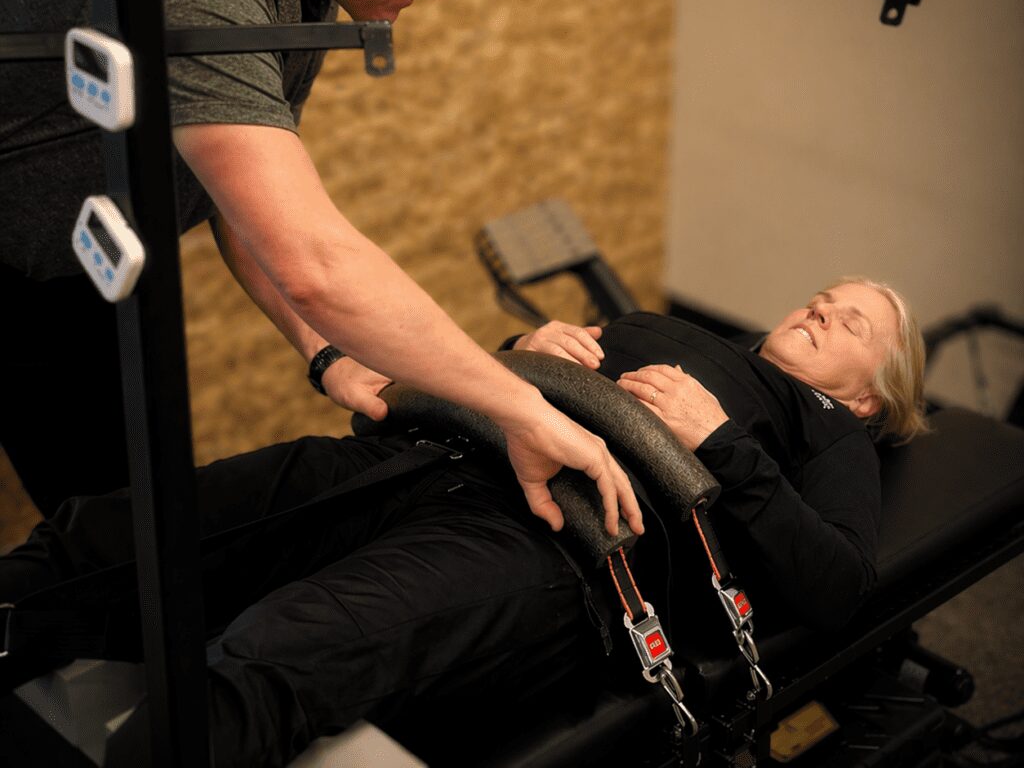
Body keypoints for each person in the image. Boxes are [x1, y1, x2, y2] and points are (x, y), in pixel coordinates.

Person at [0, 0, 642, 537]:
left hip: (67, 266)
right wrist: (518, 408)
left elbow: (237, 198)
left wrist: (325, 350)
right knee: (112, 553)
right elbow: (312, 258)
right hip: (22, 252)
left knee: (118, 534)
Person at [0, 277, 927, 767]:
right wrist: (519, 355)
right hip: (419, 458)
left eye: (850, 325)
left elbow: (837, 586)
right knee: (117, 538)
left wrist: (719, 440)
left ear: (874, 402)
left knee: (276, 656)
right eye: (823, 297)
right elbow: (501, 387)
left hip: (550, 546)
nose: (820, 309)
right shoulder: (684, 333)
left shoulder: (824, 434)